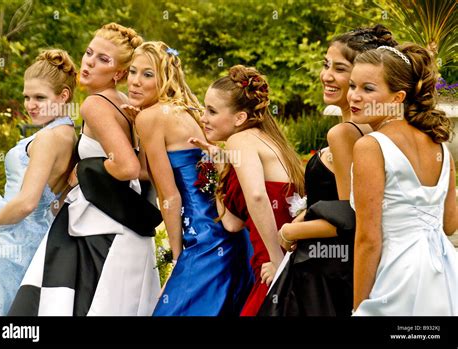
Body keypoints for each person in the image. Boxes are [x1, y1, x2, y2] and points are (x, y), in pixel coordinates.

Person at [9, 23, 162, 316]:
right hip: (124, 225)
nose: (89, 61)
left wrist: (87, 168)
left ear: (118, 73)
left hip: (96, 227)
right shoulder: (127, 104)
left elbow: (128, 166)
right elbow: (143, 169)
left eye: (103, 59)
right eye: (89, 53)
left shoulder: (95, 104)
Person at [258, 25, 398, 316]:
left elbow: (350, 217)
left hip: (324, 274)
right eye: (325, 65)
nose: (327, 76)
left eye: (339, 68)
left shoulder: (346, 135)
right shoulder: (371, 131)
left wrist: (289, 230)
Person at [126, 41, 253, 316]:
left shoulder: (150, 117)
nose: (135, 82)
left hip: (204, 242)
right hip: (231, 236)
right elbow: (150, 171)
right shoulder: (187, 109)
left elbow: (169, 196)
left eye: (147, 74)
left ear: (165, 77)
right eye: (132, 72)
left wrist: (177, 257)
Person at [350, 43, 458, 315]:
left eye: (368, 89)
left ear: (398, 98)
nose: (354, 96)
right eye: (353, 85)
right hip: (445, 273)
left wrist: (358, 308)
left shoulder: (370, 146)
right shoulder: (440, 146)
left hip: (397, 276)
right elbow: (449, 224)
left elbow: (368, 240)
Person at [191, 64, 305, 316]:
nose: (203, 118)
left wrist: (278, 263)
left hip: (274, 263)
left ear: (239, 118)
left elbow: (256, 196)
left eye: (211, 111)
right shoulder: (269, 140)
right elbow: (232, 224)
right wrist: (219, 167)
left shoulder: (239, 140)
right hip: (273, 260)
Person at [0, 49, 77, 315]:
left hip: (13, 239)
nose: (30, 105)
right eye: (27, 97)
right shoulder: (68, 133)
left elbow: (26, 203)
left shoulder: (48, 139)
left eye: (39, 97)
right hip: (34, 236)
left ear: (63, 97)